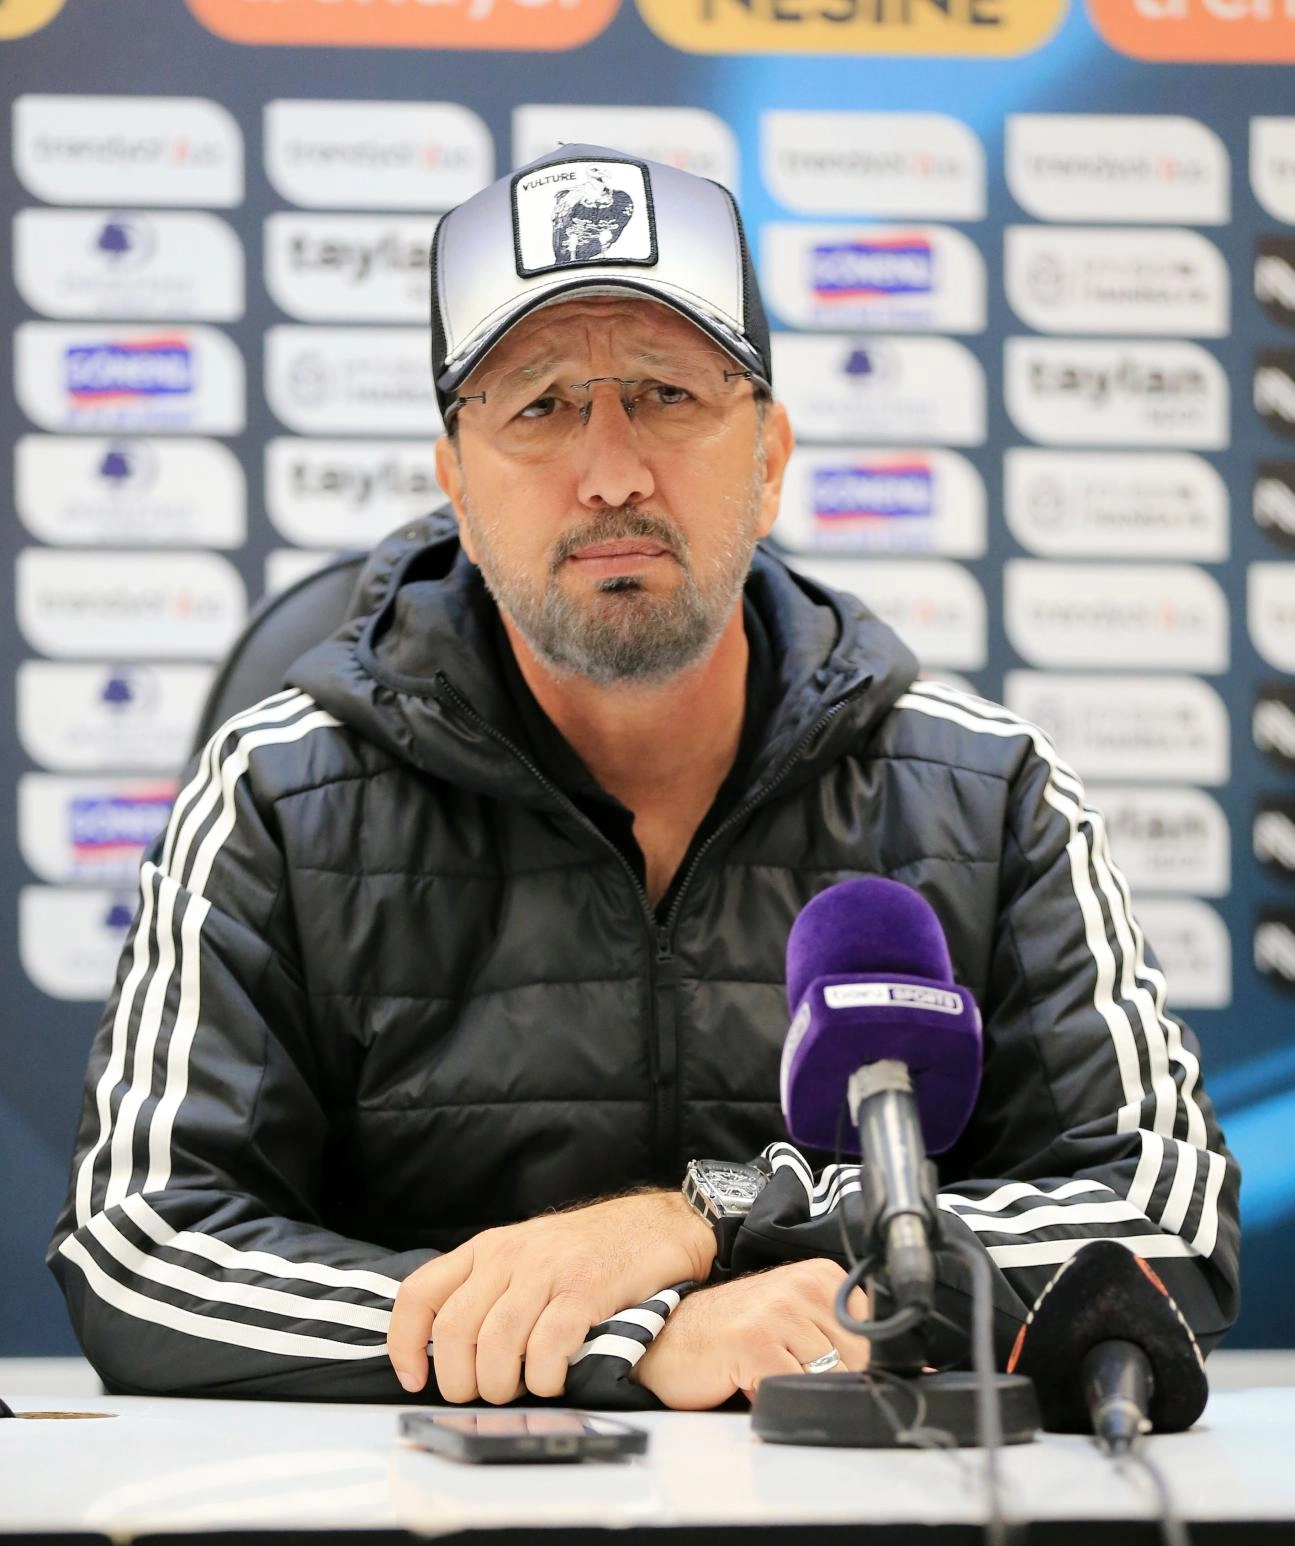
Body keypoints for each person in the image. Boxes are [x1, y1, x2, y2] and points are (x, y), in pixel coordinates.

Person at [49, 145, 1239, 1408]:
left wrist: (706, 1220)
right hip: (429, 1527)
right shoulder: (279, 798)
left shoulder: (984, 794)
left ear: (768, 457)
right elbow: (144, 1248)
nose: (611, 472)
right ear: (456, 482)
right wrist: (627, 1340)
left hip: (874, 1525)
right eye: (539, 406)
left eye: (668, 394)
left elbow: (1158, 1226)